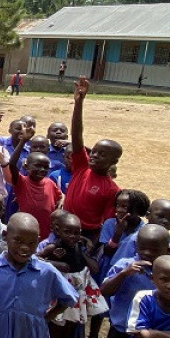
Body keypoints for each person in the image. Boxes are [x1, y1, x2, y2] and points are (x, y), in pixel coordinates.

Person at [62, 77, 121, 239]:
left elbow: (108, 222)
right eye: (94, 151)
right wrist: (78, 103)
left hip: (84, 236)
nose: (94, 155)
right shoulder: (82, 166)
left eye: (102, 154)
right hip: (62, 227)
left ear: (113, 162)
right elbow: (76, 135)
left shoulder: (112, 190)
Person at [7, 133, 63, 239]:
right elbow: (12, 164)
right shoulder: (22, 182)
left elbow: (60, 196)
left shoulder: (50, 183)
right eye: (37, 166)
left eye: (45, 167)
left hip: (46, 235)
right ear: (26, 167)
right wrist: (23, 141)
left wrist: (62, 199)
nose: (42, 170)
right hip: (25, 234)